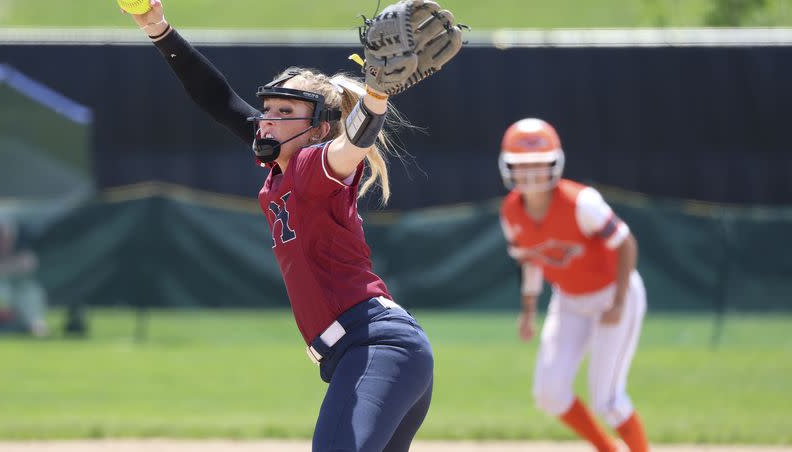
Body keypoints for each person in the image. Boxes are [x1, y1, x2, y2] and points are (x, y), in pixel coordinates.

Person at [123, 1, 464, 450]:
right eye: (269, 109)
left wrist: (376, 95)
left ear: (318, 129)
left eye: (286, 112)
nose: (267, 120)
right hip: (370, 352)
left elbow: (350, 146)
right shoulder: (284, 160)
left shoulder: (310, 165)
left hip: (376, 347)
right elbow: (218, 99)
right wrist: (158, 29)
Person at [498, 118, 649, 452]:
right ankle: (607, 449)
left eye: (539, 163)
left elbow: (626, 243)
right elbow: (531, 261)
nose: (532, 172)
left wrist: (620, 302)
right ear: (508, 167)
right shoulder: (511, 211)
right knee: (549, 391)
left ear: (555, 163)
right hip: (568, 300)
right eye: (522, 165)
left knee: (607, 399)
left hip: (612, 294)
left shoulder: (582, 202)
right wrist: (528, 311)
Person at [0, 219, 48, 337]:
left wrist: (2, 268)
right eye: (0, 238)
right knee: (1, 287)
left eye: (7, 238)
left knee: (31, 292)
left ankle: (37, 326)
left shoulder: (23, 252)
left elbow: (29, 263)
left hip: (19, 300)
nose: (3, 242)